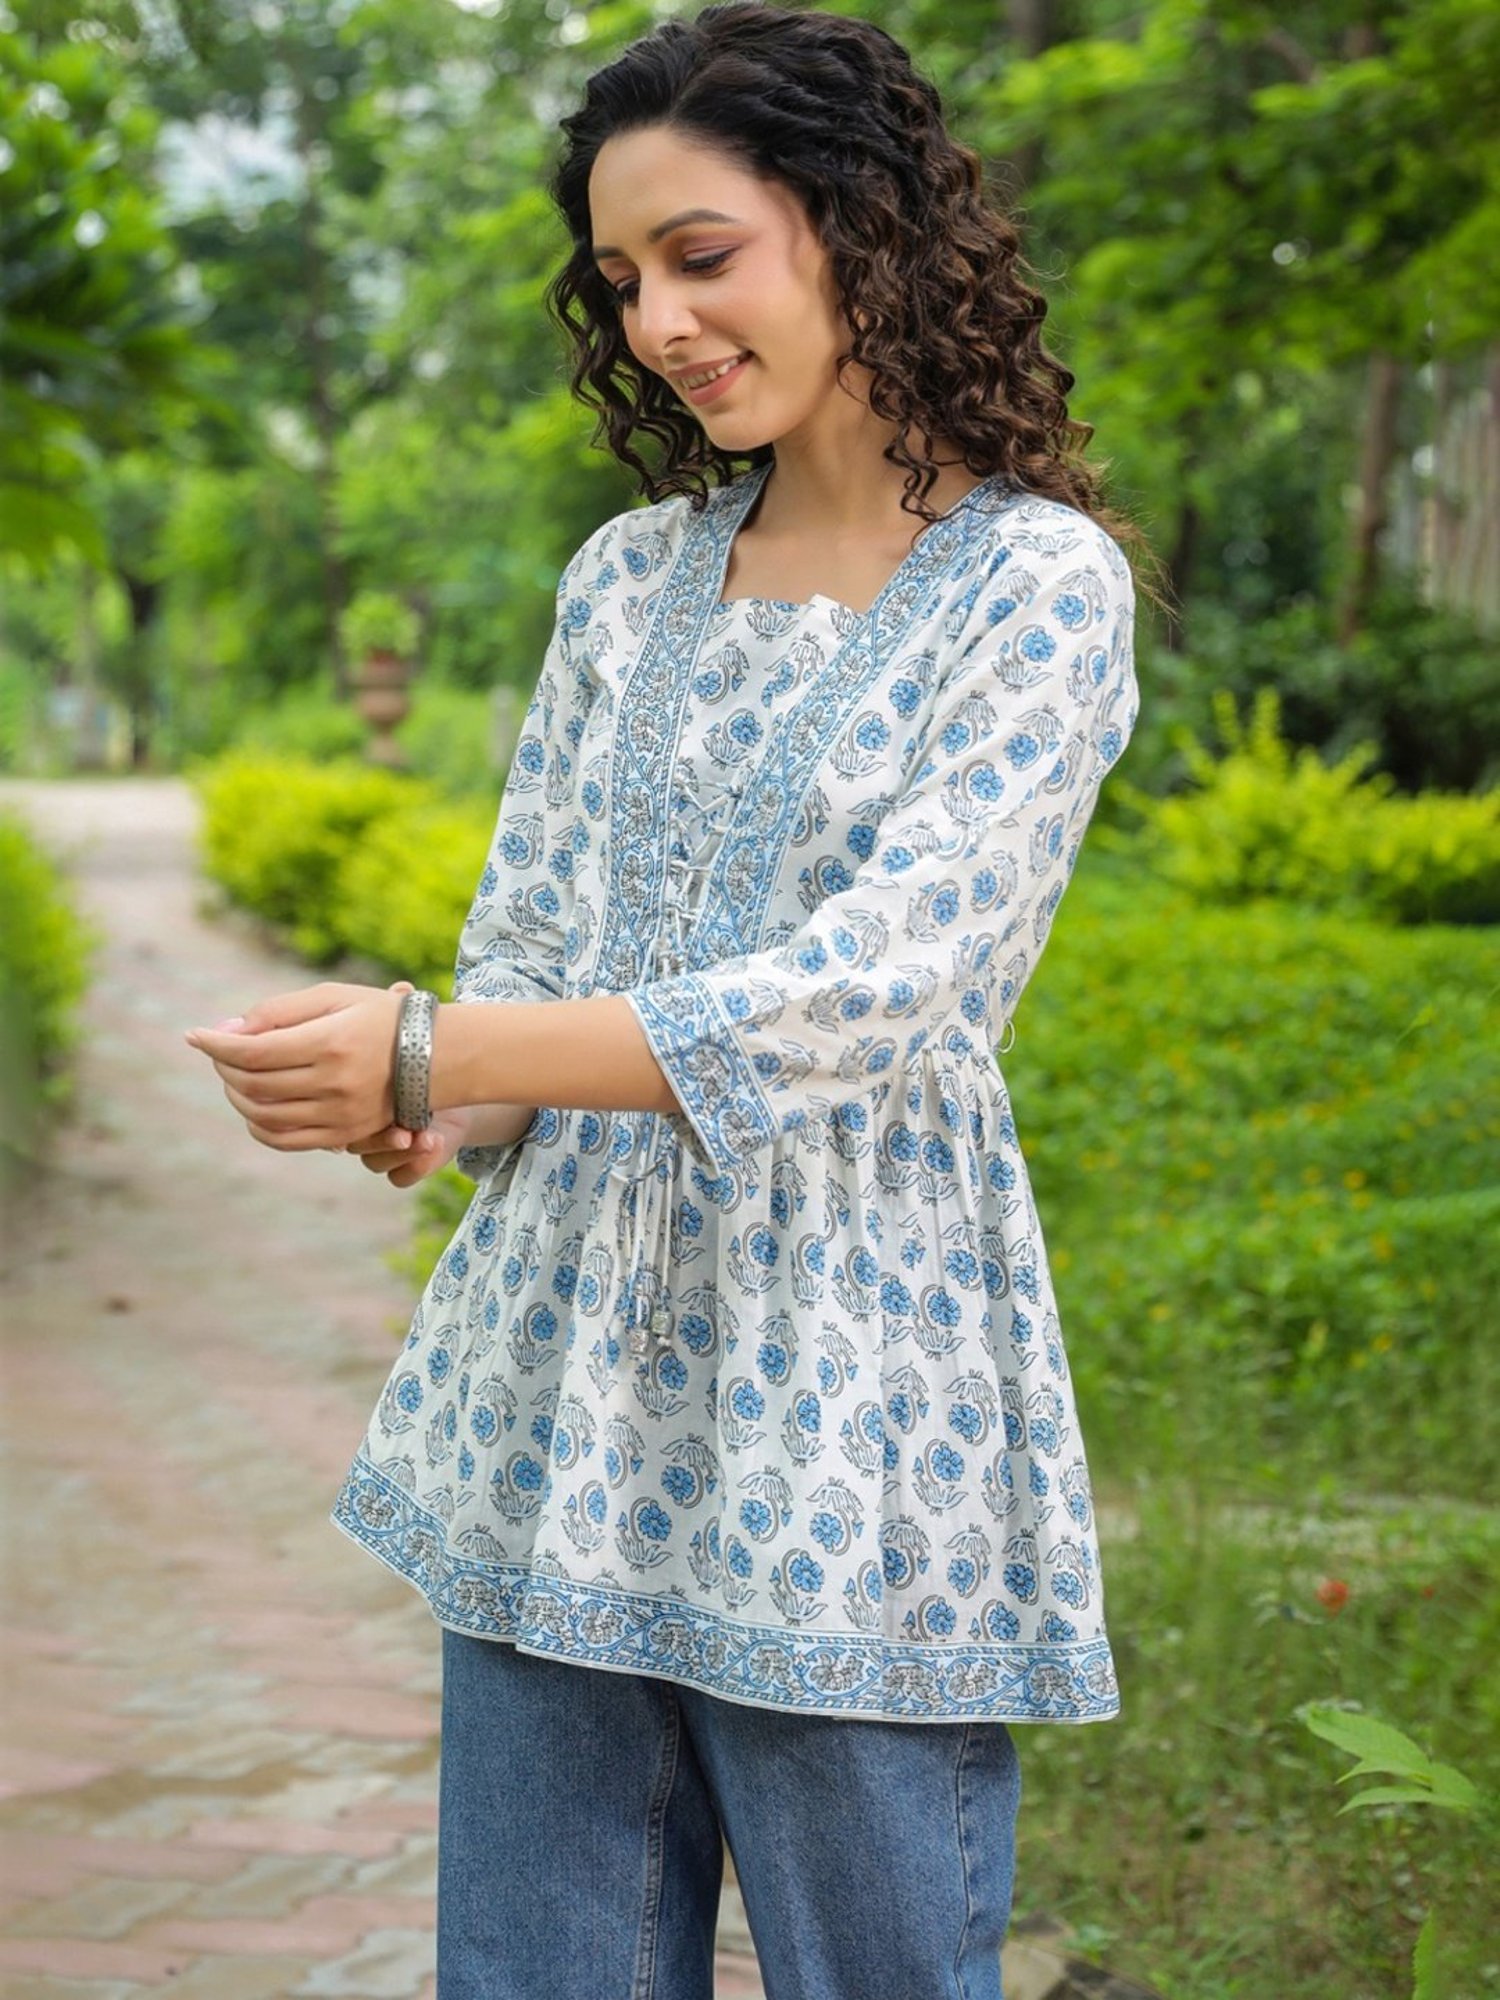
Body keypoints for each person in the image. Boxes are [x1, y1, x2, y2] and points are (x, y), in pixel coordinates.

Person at [185, 6, 1147, 1995]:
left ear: (862, 227)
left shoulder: (1036, 585)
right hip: (558, 1394)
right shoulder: (626, 579)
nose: (660, 323)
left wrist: (440, 1046)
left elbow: (877, 993)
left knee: (877, 1965)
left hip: (854, 1397)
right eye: (623, 279)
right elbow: (534, 951)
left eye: (702, 256)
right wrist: (427, 1099)